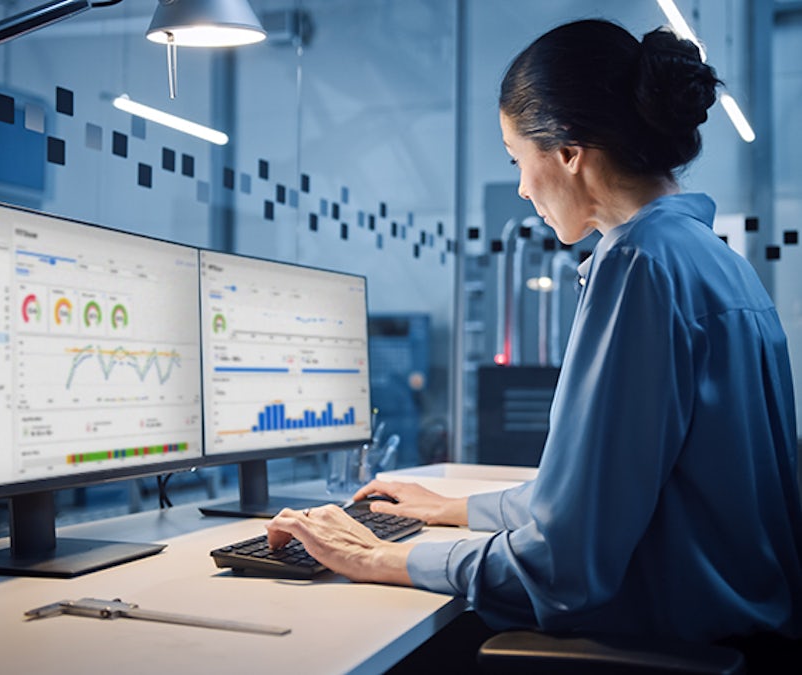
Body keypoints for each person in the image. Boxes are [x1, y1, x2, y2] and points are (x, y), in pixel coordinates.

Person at [267, 17, 802, 655]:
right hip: (750, 633)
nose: (522, 188)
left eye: (519, 158)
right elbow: (594, 500)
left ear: (570, 154)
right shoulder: (712, 261)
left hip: (675, 642)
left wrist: (381, 557)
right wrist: (452, 509)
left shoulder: (639, 267)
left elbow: (565, 567)